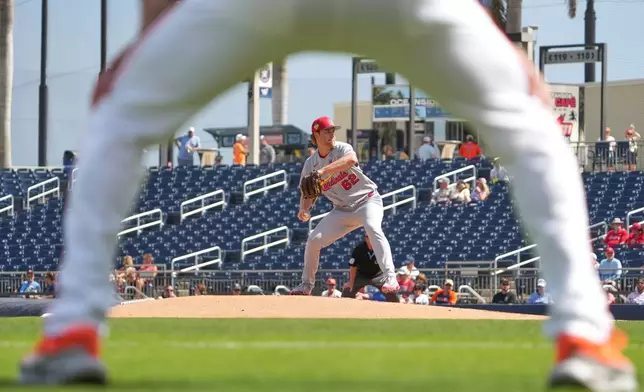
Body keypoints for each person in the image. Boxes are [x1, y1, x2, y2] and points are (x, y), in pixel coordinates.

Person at [20, 0, 635, 390]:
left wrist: (152, 34)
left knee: (119, 114)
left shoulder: (338, 152)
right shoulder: (312, 165)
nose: (321, 136)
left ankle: (74, 324)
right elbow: (309, 195)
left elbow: (345, 160)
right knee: (530, 120)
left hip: (350, 176)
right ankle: (584, 330)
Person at [291, 116, 398, 295]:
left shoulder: (341, 148)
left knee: (373, 228)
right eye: (327, 131)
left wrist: (322, 172)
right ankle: (306, 285)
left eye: (333, 130)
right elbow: (307, 191)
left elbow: (350, 160)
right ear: (316, 134)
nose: (331, 133)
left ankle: (391, 278)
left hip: (367, 200)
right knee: (313, 241)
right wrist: (303, 208)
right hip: (342, 210)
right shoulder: (310, 164)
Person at [341, 233, 399, 303]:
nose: (371, 239)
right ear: (366, 238)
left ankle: (396, 309)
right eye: (369, 237)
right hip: (361, 275)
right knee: (348, 290)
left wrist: (389, 281)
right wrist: (351, 282)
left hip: (379, 275)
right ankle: (343, 308)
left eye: (373, 237)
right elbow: (353, 267)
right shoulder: (359, 249)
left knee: (391, 293)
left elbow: (388, 263)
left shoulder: (382, 247)